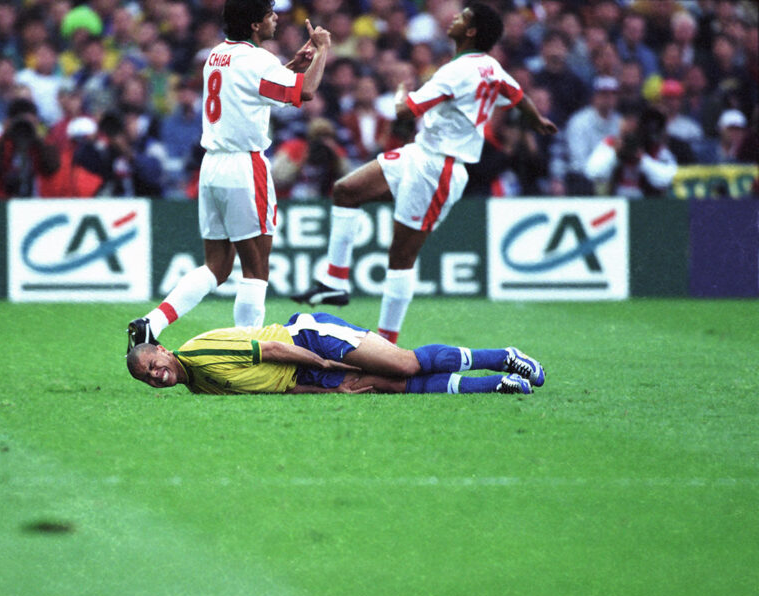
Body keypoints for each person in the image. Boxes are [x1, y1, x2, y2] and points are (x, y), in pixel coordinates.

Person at [292, 3, 557, 344]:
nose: (455, 18)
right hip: (420, 153)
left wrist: (402, 92)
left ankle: (386, 345)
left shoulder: (454, 73)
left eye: (462, 17)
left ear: (472, 32)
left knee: (400, 257)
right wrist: (536, 120)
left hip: (441, 168)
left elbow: (405, 110)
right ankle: (334, 283)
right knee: (346, 190)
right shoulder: (489, 66)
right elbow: (518, 95)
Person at [126, 0, 332, 352]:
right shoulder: (258, 61)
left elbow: (248, 92)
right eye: (269, 14)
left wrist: (291, 67)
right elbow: (306, 92)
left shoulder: (216, 55)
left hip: (213, 166)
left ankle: (151, 323)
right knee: (256, 269)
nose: (275, 18)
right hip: (244, 166)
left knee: (217, 267)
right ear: (255, 25)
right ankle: (247, 352)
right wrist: (324, 49)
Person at [127, 311, 545, 395]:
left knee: (406, 362)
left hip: (307, 340)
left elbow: (273, 349)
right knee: (389, 385)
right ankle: (498, 385)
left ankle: (503, 355)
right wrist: (331, 388)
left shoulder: (199, 350)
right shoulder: (199, 388)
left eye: (152, 365)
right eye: (148, 377)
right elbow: (275, 391)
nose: (155, 375)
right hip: (301, 375)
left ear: (163, 350)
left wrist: (325, 362)